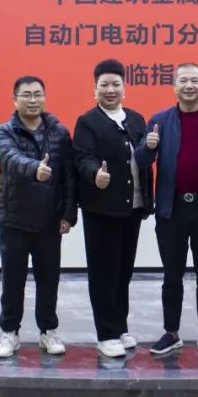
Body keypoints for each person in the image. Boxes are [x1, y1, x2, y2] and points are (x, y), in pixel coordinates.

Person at [135, 63, 198, 356]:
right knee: (172, 275)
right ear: (174, 87)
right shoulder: (159, 121)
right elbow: (141, 159)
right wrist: (149, 147)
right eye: (183, 81)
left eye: (194, 81)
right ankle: (171, 332)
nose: (189, 85)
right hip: (172, 209)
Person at [0, 75, 77, 358]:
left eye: (38, 94)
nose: (32, 99)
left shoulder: (59, 132)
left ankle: (48, 331)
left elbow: (68, 176)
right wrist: (34, 169)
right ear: (15, 99)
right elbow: (8, 158)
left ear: (44, 97)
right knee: (12, 281)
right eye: (26, 94)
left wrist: (68, 214)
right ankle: (9, 333)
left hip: (49, 221)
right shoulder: (3, 132)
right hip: (14, 220)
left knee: (49, 280)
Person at [73, 59, 154, 358]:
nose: (110, 90)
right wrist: (95, 173)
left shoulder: (136, 119)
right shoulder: (87, 122)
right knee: (103, 273)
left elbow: (144, 157)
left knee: (123, 271)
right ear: (95, 89)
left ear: (124, 88)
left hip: (132, 207)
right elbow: (82, 157)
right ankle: (106, 334)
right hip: (102, 208)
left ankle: (120, 326)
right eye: (104, 85)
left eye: (115, 84)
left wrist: (153, 148)